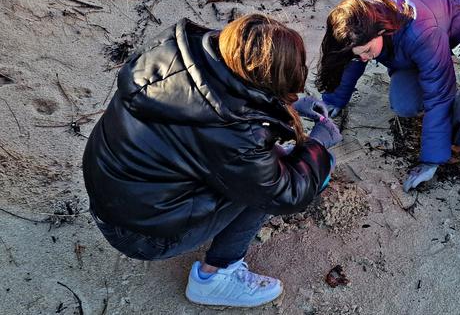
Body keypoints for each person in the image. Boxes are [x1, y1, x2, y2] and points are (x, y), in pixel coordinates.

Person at [82, 15, 342, 308]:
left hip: (116, 200)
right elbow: (285, 193)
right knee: (266, 181)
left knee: (254, 168)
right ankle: (214, 277)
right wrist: (318, 144)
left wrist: (287, 104)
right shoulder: (230, 129)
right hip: (139, 234)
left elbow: (225, 91)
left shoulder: (176, 52)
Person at [316, 0, 460, 192]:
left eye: (367, 51)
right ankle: (419, 64)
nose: (363, 58)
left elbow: (439, 95)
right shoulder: (359, 10)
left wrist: (431, 161)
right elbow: (352, 61)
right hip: (412, 45)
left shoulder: (422, 32)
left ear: (381, 30)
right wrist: (334, 100)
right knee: (404, 105)